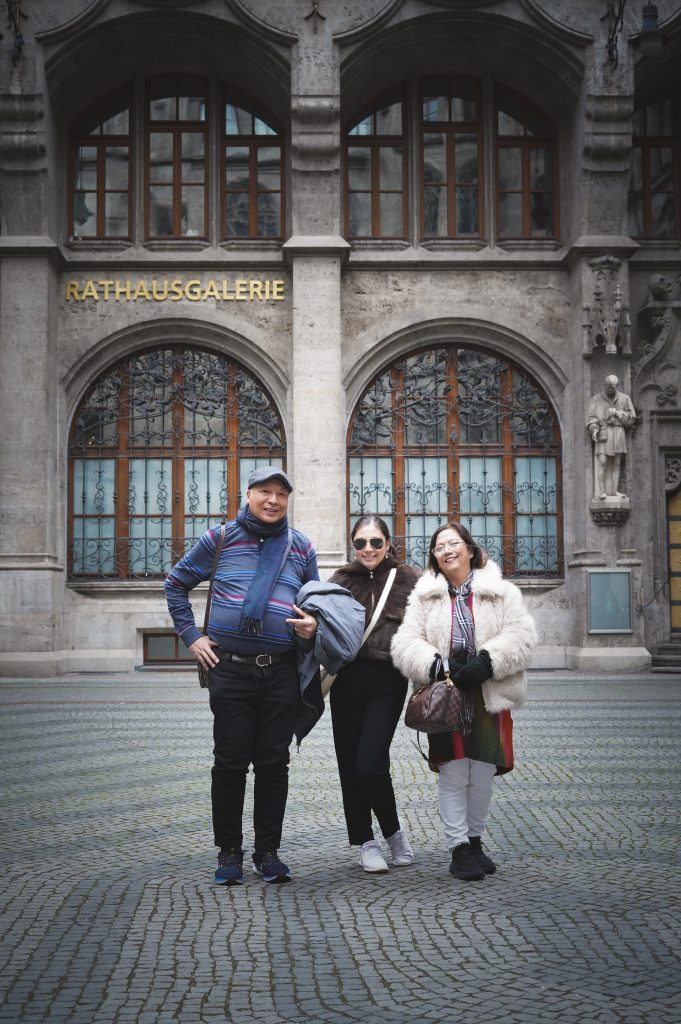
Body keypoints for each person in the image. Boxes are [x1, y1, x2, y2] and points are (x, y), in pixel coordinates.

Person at [164, 466, 319, 886]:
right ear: (247, 494)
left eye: (281, 493)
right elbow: (176, 583)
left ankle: (268, 853)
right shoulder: (220, 538)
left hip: (281, 670)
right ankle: (229, 851)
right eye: (265, 491)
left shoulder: (301, 546)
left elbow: (316, 604)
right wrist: (191, 636)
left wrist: (312, 626)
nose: (273, 500)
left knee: (274, 763)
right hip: (229, 668)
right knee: (230, 762)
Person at [391, 522, 536, 881]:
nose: (447, 551)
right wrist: (437, 665)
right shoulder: (424, 596)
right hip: (447, 696)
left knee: (482, 773)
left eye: (453, 543)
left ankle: (475, 840)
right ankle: (458, 847)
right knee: (454, 773)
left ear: (470, 550)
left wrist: (489, 661)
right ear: (434, 557)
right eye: (439, 547)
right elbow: (405, 643)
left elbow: (522, 635)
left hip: (489, 693)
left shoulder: (501, 592)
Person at [328, 515, 421, 873]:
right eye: (361, 543)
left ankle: (393, 832)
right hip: (346, 679)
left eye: (376, 542)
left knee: (371, 763)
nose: (368, 549)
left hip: (388, 679)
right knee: (350, 763)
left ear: (388, 544)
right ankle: (365, 840)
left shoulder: (410, 579)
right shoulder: (340, 581)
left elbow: (428, 625)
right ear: (353, 545)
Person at [586, 374, 636, 500]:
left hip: (618, 432)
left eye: (613, 387)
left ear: (617, 386)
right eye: (608, 387)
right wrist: (594, 428)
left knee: (617, 464)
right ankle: (601, 491)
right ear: (604, 385)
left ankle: (614, 491)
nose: (610, 390)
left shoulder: (624, 398)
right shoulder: (596, 399)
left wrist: (618, 414)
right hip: (603, 433)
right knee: (602, 462)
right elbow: (591, 418)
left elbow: (632, 418)